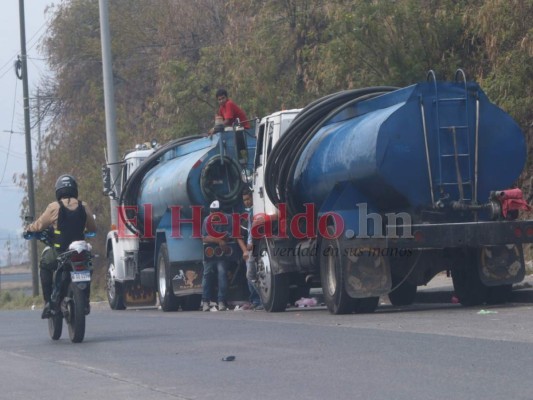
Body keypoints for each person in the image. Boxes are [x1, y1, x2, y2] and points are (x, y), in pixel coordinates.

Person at [25, 174, 96, 318]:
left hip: (60, 252)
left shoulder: (54, 207)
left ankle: (47, 302)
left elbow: (39, 225)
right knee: (88, 267)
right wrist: (87, 232)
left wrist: (28, 229)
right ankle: (86, 300)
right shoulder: (84, 206)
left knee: (44, 264)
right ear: (74, 189)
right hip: (79, 250)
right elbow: (93, 229)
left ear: (58, 191)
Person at [201, 200, 233, 311]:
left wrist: (220, 240)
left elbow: (228, 235)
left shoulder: (227, 219)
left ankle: (221, 301)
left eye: (216, 212)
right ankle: (205, 301)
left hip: (221, 251)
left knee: (222, 273)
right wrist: (219, 240)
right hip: (209, 250)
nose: (213, 215)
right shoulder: (207, 220)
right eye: (212, 212)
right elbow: (204, 237)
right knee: (207, 274)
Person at [240, 188, 263, 310]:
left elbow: (255, 231)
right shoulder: (249, 213)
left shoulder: (255, 211)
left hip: (254, 247)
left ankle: (262, 299)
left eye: (248, 199)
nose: (246, 202)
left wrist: (251, 244)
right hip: (251, 247)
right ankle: (259, 300)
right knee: (252, 274)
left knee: (251, 275)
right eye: (245, 200)